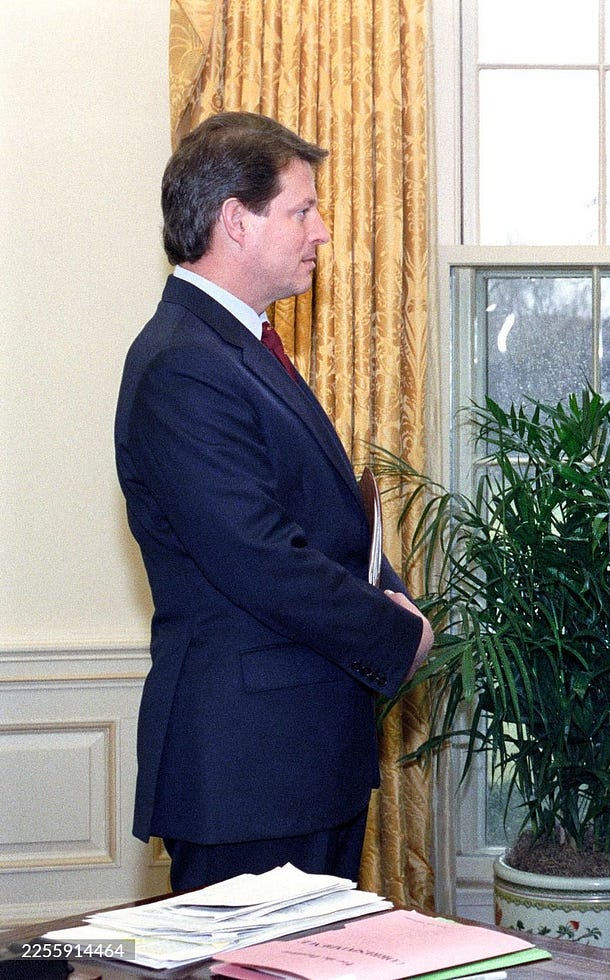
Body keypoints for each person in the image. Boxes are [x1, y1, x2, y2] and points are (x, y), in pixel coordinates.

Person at [114, 112, 433, 890]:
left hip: (298, 758)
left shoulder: (239, 346)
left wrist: (388, 587)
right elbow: (258, 556)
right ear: (234, 220)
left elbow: (318, 525)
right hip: (246, 772)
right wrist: (393, 629)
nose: (321, 231)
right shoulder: (183, 364)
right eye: (302, 210)